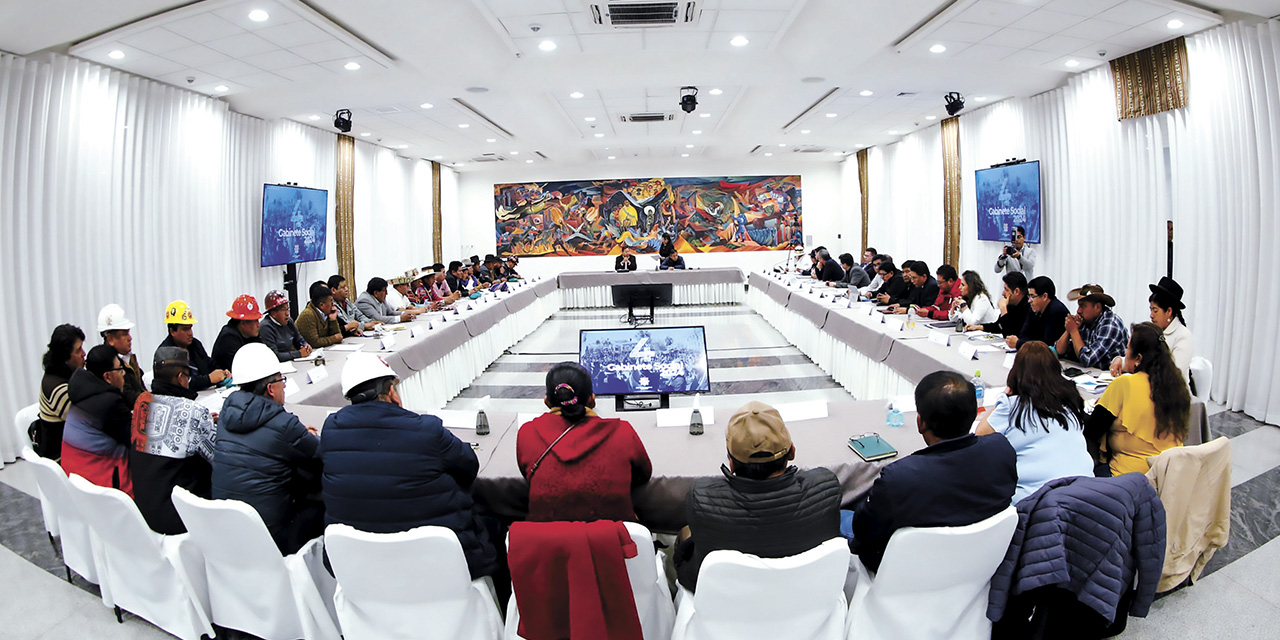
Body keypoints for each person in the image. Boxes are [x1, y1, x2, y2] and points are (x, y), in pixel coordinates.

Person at [320, 353, 499, 579]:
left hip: (362, 573)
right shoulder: (426, 430)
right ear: (392, 393)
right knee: (494, 527)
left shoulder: (331, 431)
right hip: (439, 570)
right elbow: (469, 466)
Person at [846, 371, 1017, 573]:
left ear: (920, 423)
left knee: (839, 517)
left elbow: (863, 530)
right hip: (977, 570)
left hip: (903, 573)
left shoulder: (899, 478)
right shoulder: (1001, 451)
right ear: (973, 415)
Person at [673, 401, 840, 592]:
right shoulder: (826, 486)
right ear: (792, 451)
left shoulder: (701, 497)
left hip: (727, 603)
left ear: (731, 463)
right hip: (808, 597)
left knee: (685, 535)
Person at [212, 343, 324, 555]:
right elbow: (323, 453)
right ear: (270, 389)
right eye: (282, 381)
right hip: (270, 538)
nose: (285, 386)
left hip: (228, 532)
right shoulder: (283, 425)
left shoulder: (226, 414)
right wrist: (308, 437)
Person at [517, 363, 652, 522]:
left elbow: (528, 475)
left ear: (547, 402)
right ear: (592, 400)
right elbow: (643, 475)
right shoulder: (623, 431)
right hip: (614, 541)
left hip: (546, 544)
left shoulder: (527, 433)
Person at [976, 342, 1094, 504]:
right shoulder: (1071, 399)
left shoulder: (1012, 406)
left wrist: (1005, 394)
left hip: (1037, 501)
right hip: (1086, 493)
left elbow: (978, 437)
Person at [130, 347, 217, 534]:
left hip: (145, 510)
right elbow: (219, 457)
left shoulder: (142, 402)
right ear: (180, 378)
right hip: (178, 517)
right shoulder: (193, 411)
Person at [1086, 322, 1190, 477]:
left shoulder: (1124, 384)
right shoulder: (1176, 385)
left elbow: (1091, 431)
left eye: (1127, 348)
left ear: (1138, 358)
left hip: (1129, 478)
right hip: (1169, 476)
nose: (1125, 353)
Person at [62, 345, 134, 495]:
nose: (123, 375)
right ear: (107, 377)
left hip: (75, 483)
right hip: (102, 489)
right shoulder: (109, 403)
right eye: (120, 370)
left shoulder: (81, 393)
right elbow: (136, 439)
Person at [1114, 276, 1193, 383]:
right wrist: (1119, 360)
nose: (1151, 316)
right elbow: (1138, 358)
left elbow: (1174, 373)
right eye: (1151, 310)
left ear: (1169, 312)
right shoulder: (1152, 332)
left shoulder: (1183, 336)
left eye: (1155, 311)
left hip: (1173, 393)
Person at [33, 324, 86, 459]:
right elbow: (86, 424)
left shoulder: (66, 374)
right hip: (61, 458)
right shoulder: (58, 388)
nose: (84, 353)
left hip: (74, 445)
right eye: (78, 350)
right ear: (65, 358)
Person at [157, 300, 228, 392]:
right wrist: (208, 379)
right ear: (172, 331)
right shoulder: (165, 354)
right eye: (185, 329)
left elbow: (209, 364)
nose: (190, 333)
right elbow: (180, 384)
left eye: (190, 328)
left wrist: (222, 372)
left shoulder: (195, 344)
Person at [1057, 284, 1129, 369]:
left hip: (1109, 376)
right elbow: (1059, 351)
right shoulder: (1085, 320)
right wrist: (1069, 330)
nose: (1078, 311)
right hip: (1092, 374)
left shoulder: (1110, 324)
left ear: (1097, 307)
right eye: (1078, 306)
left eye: (1083, 306)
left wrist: (1074, 331)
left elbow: (1087, 360)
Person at [98, 303, 146, 406]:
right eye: (124, 334)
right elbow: (129, 396)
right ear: (110, 339)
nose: (130, 338)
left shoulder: (127, 360)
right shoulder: (109, 367)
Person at [1007, 276, 1068, 350]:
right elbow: (1024, 334)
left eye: (1032, 296)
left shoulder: (1056, 310)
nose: (1029, 300)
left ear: (1045, 296)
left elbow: (1046, 345)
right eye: (1029, 296)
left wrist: (1019, 343)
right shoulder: (1035, 307)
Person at [212, 294, 265, 371]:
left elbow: (263, 355)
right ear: (243, 323)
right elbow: (242, 367)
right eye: (255, 321)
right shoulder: (228, 338)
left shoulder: (252, 333)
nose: (258, 324)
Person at [259, 290, 313, 362]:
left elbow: (299, 339)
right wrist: (298, 354)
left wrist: (305, 345)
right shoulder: (266, 327)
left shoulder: (289, 321)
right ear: (273, 313)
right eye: (283, 310)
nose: (287, 313)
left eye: (288, 309)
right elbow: (275, 356)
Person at [296, 282, 346, 348]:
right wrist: (334, 338)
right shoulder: (308, 315)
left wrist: (333, 320)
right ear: (322, 305)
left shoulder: (326, 312)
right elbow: (314, 342)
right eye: (331, 301)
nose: (333, 304)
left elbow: (338, 336)